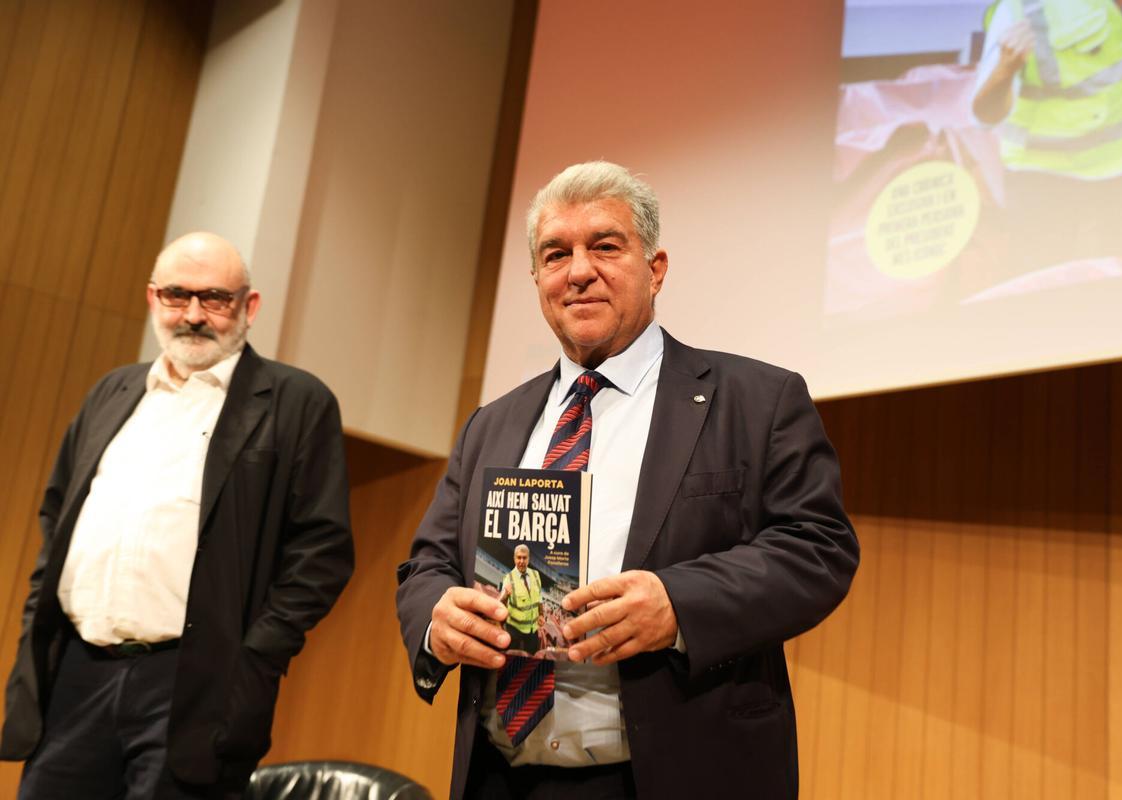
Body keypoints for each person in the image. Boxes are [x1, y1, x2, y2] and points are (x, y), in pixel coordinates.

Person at [395, 162, 858, 798]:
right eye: (556, 254)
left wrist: (677, 605)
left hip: (678, 772)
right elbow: (427, 566)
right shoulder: (490, 425)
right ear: (538, 280)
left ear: (655, 268)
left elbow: (818, 549)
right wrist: (434, 620)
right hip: (502, 776)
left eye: (605, 246)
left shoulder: (757, 399)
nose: (579, 270)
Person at [1, 232, 355, 798]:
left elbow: (323, 552)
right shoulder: (112, 391)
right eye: (176, 296)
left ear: (249, 306)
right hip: (76, 672)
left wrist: (254, 655)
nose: (193, 315)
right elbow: (57, 515)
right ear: (152, 298)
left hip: (195, 685)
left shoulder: (295, 402)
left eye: (214, 298)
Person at [971, 0, 1122, 268]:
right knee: (1047, 290)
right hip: (1051, 179)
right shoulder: (1022, 9)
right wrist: (1005, 69)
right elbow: (984, 114)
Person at [496, 545, 544, 654]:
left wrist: (541, 614)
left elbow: (539, 597)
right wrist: (505, 596)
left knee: (532, 658)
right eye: (519, 557)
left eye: (524, 557)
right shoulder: (509, 578)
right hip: (514, 628)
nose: (521, 561)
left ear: (528, 559)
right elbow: (501, 604)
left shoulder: (536, 575)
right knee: (512, 657)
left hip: (532, 628)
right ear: (514, 558)